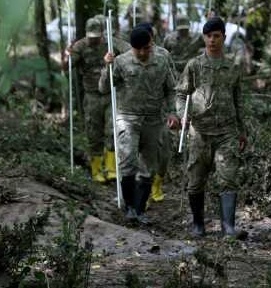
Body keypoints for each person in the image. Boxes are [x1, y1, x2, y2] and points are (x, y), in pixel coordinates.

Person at [176, 16, 247, 238]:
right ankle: (198, 225)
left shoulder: (233, 67)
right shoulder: (194, 65)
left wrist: (243, 130)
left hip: (227, 132)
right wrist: (183, 115)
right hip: (200, 132)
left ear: (224, 37)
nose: (212, 40)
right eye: (208, 36)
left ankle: (228, 227)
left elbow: (239, 100)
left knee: (228, 178)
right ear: (204, 38)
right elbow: (181, 93)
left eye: (217, 36)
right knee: (196, 180)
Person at [102, 27, 179, 224]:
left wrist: (172, 111)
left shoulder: (162, 60)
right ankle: (129, 208)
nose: (143, 53)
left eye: (147, 48)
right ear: (132, 49)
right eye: (139, 50)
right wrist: (107, 67)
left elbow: (171, 89)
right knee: (127, 162)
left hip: (153, 120)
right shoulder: (121, 61)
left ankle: (140, 209)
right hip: (128, 118)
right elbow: (103, 87)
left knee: (148, 167)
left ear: (152, 44)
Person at [64, 17, 128, 183]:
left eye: (96, 37)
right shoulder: (80, 46)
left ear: (102, 34)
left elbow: (130, 55)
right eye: (90, 37)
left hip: (110, 94)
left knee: (112, 129)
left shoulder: (112, 43)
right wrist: (68, 56)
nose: (93, 40)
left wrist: (117, 61)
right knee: (94, 132)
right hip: (91, 95)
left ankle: (112, 169)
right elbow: (67, 68)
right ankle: (96, 170)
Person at [136, 22, 178, 204]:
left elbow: (172, 85)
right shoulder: (130, 55)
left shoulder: (163, 55)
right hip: (138, 113)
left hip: (161, 112)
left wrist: (173, 111)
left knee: (164, 153)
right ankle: (142, 192)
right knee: (142, 154)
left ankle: (157, 184)